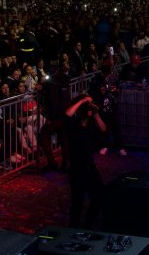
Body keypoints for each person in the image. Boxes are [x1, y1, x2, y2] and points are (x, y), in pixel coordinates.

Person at [64, 94, 106, 228]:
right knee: (78, 202)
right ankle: (73, 228)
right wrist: (82, 101)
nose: (89, 107)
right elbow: (67, 114)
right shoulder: (74, 124)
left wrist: (95, 113)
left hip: (90, 167)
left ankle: (88, 226)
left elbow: (103, 128)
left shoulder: (92, 124)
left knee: (98, 198)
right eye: (86, 107)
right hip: (76, 169)